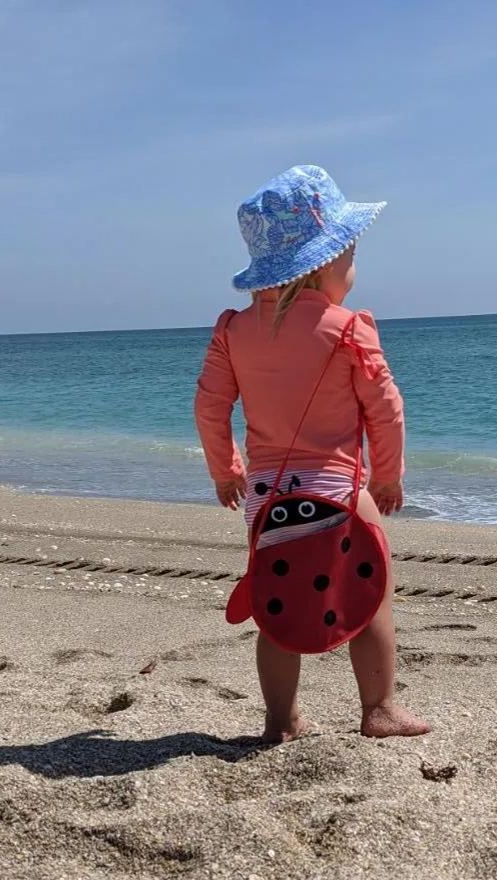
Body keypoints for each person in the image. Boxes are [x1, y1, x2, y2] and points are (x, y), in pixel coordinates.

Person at [194, 165, 430, 742]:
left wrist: (227, 472)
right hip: (339, 490)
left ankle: (281, 721)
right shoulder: (348, 329)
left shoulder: (232, 332)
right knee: (370, 599)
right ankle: (378, 710)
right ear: (323, 263)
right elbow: (385, 408)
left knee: (276, 606)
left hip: (267, 496)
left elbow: (209, 408)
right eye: (349, 256)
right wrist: (387, 478)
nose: (353, 269)